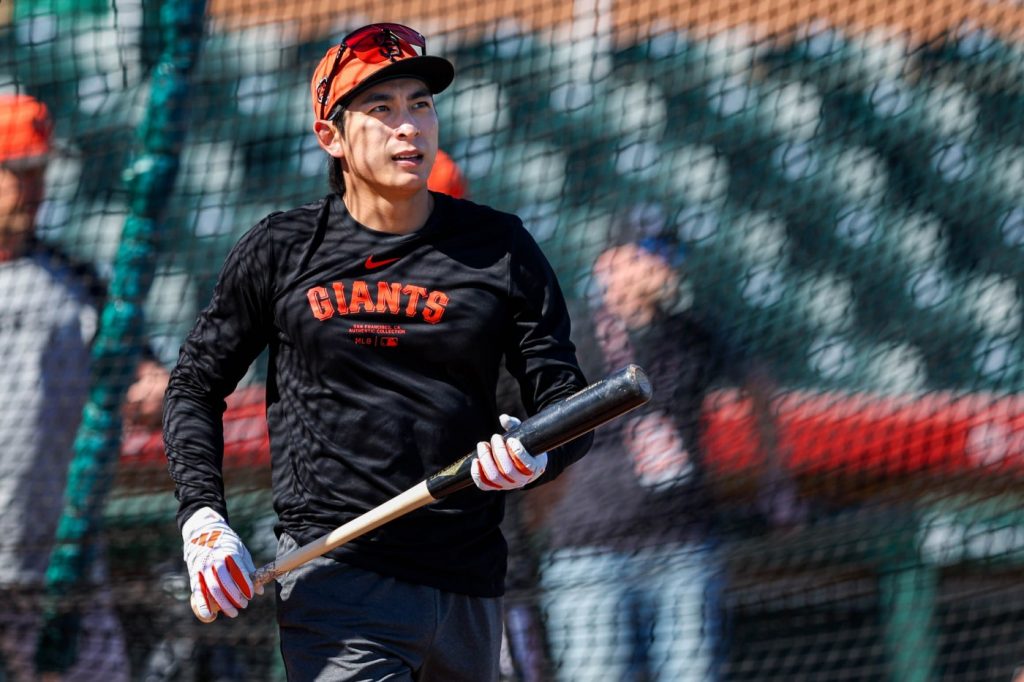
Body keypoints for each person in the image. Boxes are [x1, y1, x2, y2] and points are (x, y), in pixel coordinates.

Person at [162, 22, 592, 682]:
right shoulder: (280, 250)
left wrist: (538, 450)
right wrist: (203, 519)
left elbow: (565, 399)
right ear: (330, 137)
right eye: (381, 109)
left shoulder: (500, 246)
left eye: (420, 104)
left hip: (470, 588)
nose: (409, 127)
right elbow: (194, 386)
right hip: (339, 580)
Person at [539, 231, 801, 681]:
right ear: (609, 264)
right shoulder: (572, 332)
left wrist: (774, 476)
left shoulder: (691, 331)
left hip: (682, 542)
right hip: (591, 547)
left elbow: (757, 381)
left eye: (668, 254)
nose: (664, 264)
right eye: (648, 254)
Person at [0, 93, 168, 681]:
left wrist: (155, 391)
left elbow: (141, 378)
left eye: (39, 171)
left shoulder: (76, 280)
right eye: (18, 172)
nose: (33, 188)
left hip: (57, 557)